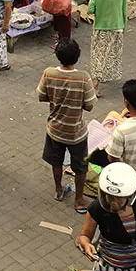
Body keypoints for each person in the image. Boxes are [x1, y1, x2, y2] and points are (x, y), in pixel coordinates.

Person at [37, 39, 96, 213]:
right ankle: (79, 200)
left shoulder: (49, 73)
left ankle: (58, 190)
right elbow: (90, 105)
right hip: (76, 132)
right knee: (80, 167)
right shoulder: (84, 77)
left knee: (57, 162)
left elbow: (41, 96)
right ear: (77, 56)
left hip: (55, 129)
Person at [77, 163, 136, 271]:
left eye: (118, 198)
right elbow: (84, 235)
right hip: (110, 266)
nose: (113, 202)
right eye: (110, 196)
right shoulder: (97, 208)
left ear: (130, 196)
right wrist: (86, 244)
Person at [87, 0, 127, 98]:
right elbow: (124, 11)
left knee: (99, 55)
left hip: (101, 28)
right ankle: (102, 78)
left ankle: (96, 83)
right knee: (110, 55)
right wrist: (124, 27)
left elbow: (90, 9)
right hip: (117, 28)